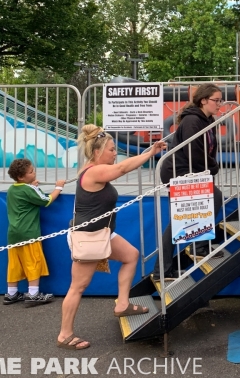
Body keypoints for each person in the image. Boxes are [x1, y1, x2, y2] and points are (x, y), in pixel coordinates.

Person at [57, 125, 166, 350]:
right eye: (112, 150)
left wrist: (149, 152)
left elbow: (120, 167)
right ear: (97, 152)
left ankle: (122, 304)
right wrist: (150, 153)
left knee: (131, 255)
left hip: (103, 233)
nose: (115, 153)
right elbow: (123, 168)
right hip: (89, 237)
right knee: (78, 287)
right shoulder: (94, 171)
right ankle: (64, 334)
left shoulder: (93, 167)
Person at [155, 84, 225, 278]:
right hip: (179, 171)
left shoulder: (207, 120)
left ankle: (163, 269)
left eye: (220, 100)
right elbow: (194, 153)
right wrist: (213, 168)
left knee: (183, 218)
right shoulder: (193, 120)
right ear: (204, 100)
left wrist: (210, 168)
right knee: (213, 198)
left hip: (190, 170)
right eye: (216, 100)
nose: (220, 104)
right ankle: (198, 247)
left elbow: (207, 150)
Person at [4, 158, 65, 306]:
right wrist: (58, 187)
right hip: (29, 233)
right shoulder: (28, 190)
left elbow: (28, 195)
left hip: (13, 234)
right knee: (33, 261)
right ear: (21, 177)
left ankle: (11, 293)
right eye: (31, 172)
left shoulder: (12, 189)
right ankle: (33, 293)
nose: (34, 173)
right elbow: (46, 200)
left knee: (14, 264)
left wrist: (32, 187)